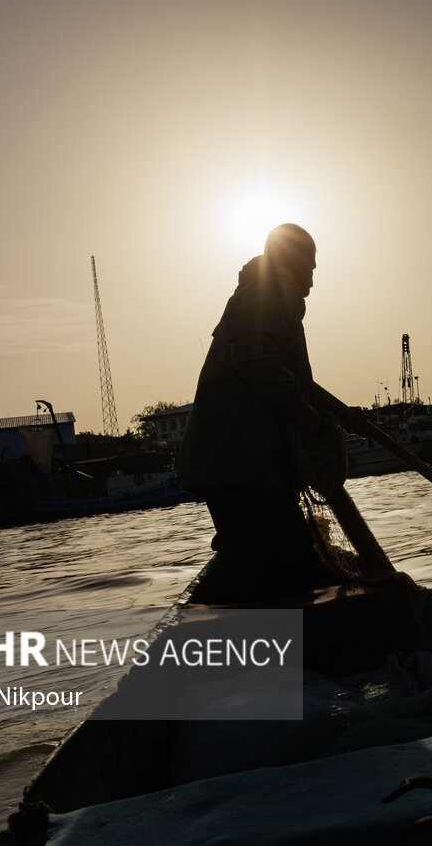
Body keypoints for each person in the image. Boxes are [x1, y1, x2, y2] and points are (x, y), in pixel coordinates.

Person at [176, 223, 339, 597]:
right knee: (292, 562)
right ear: (293, 261)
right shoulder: (274, 291)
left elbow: (273, 364)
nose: (312, 280)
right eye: (310, 267)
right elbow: (258, 359)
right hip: (242, 462)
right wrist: (307, 416)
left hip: (231, 463)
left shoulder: (258, 294)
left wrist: (325, 406)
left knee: (251, 559)